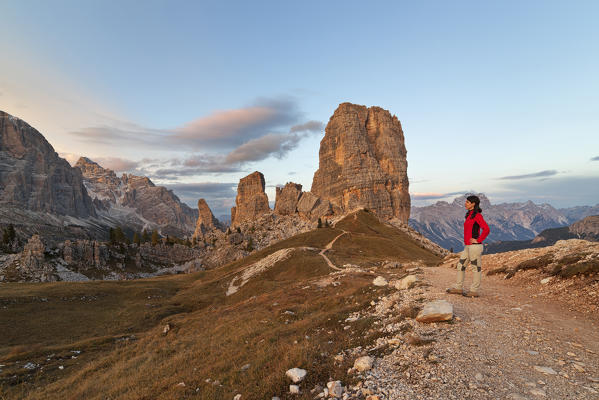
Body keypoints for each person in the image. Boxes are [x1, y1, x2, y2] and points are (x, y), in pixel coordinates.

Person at [446, 195, 490, 297]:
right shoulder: (469, 215)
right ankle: (458, 288)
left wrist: (478, 240)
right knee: (461, 266)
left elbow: (486, 229)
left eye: (467, 202)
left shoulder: (477, 215)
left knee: (476, 268)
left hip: (475, 247)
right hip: (467, 246)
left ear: (473, 204)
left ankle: (474, 291)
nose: (465, 203)